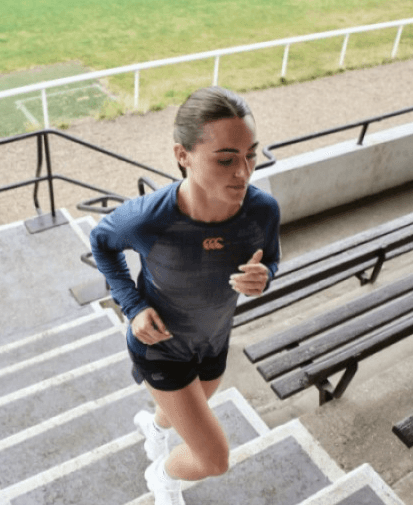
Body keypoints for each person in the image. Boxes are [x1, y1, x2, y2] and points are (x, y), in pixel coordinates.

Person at [89, 86, 280, 505]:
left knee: (182, 412)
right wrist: (133, 306)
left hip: (213, 340)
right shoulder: (148, 218)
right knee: (213, 459)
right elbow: (101, 243)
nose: (244, 173)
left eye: (251, 154)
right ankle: (162, 476)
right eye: (226, 159)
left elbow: (273, 260)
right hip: (159, 347)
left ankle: (154, 427)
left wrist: (265, 276)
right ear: (183, 155)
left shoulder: (263, 210)